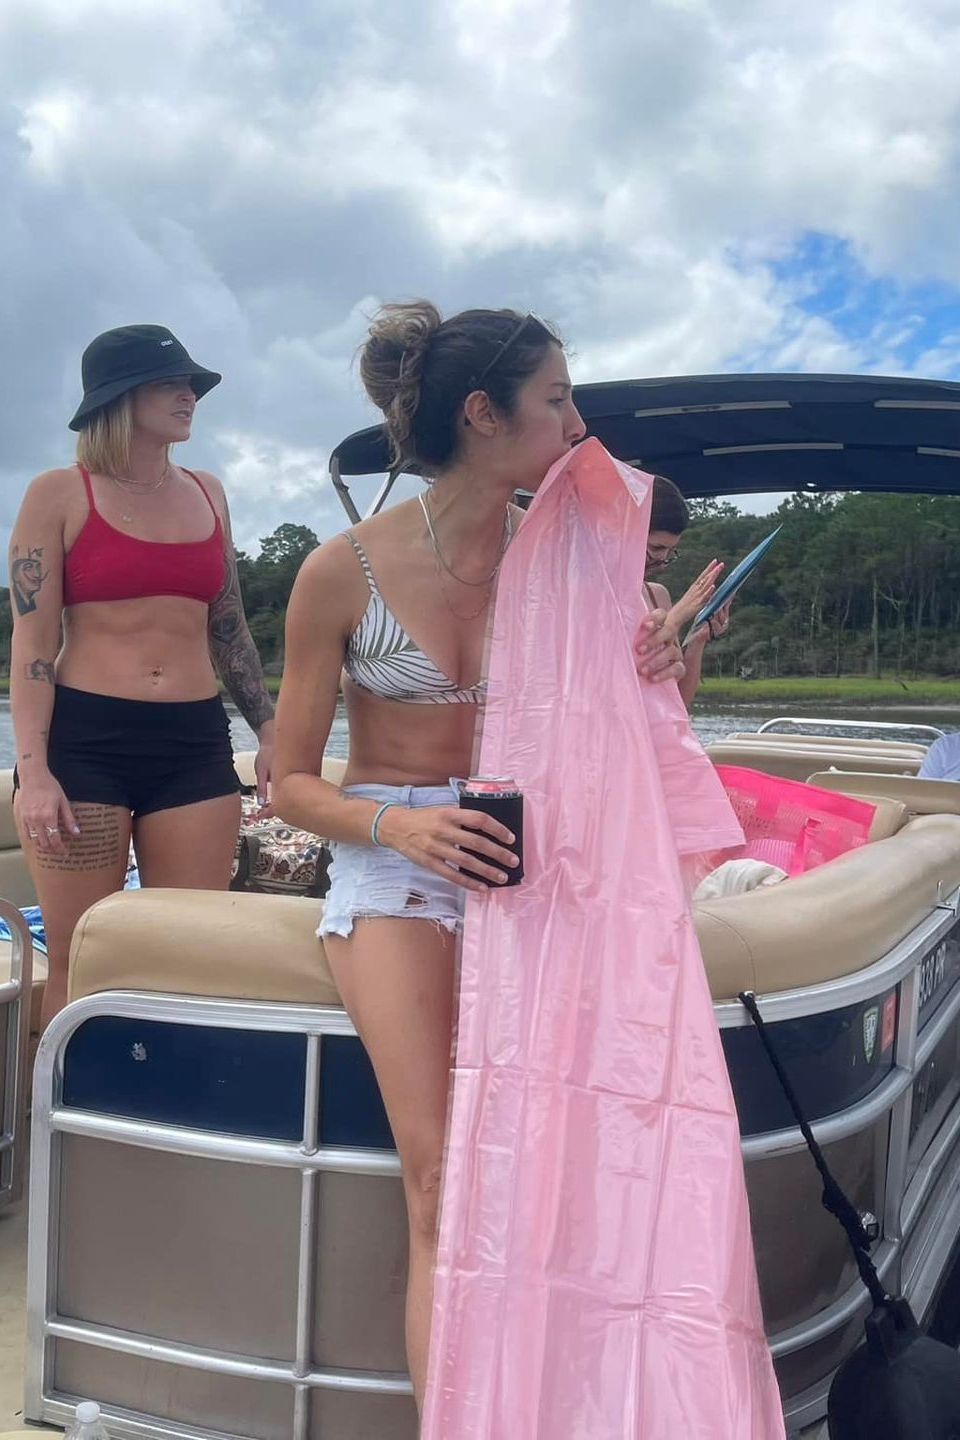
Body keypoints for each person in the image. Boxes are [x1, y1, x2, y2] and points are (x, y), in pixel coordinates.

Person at [270, 302, 687, 1402]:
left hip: (528, 858)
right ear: (482, 415)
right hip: (395, 854)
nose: (576, 419)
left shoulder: (578, 559)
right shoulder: (339, 571)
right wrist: (398, 824)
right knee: (444, 1175)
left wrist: (662, 660)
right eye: (556, 399)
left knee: (555, 1169)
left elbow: (634, 733)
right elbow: (289, 782)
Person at [8, 324, 276, 1023]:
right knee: (80, 952)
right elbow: (32, 646)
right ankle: (56, 1121)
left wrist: (272, 731)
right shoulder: (59, 494)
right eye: (171, 383)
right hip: (85, 743)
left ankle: (161, 1111)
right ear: (120, 398)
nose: (190, 395)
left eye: (192, 384)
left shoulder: (208, 492)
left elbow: (230, 628)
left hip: (192, 741)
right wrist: (34, 772)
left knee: (187, 946)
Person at [645, 473, 729, 705]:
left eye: (669, 552)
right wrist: (676, 618)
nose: (661, 562)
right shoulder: (586, 593)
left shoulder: (656, 595)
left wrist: (697, 637)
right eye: (655, 547)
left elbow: (677, 702)